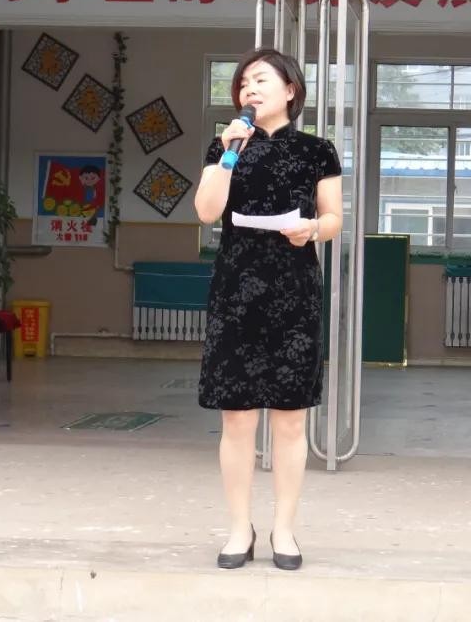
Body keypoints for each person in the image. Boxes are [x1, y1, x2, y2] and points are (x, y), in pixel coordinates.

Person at [193, 47, 344, 571]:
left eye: (260, 80)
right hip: (236, 290)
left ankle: (284, 529)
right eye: (243, 83)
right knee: (236, 419)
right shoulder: (225, 144)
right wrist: (227, 155)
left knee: (289, 419)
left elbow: (334, 218)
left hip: (293, 291)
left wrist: (313, 229)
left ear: (290, 90)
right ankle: (240, 528)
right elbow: (207, 211)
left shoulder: (317, 150)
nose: (249, 89)